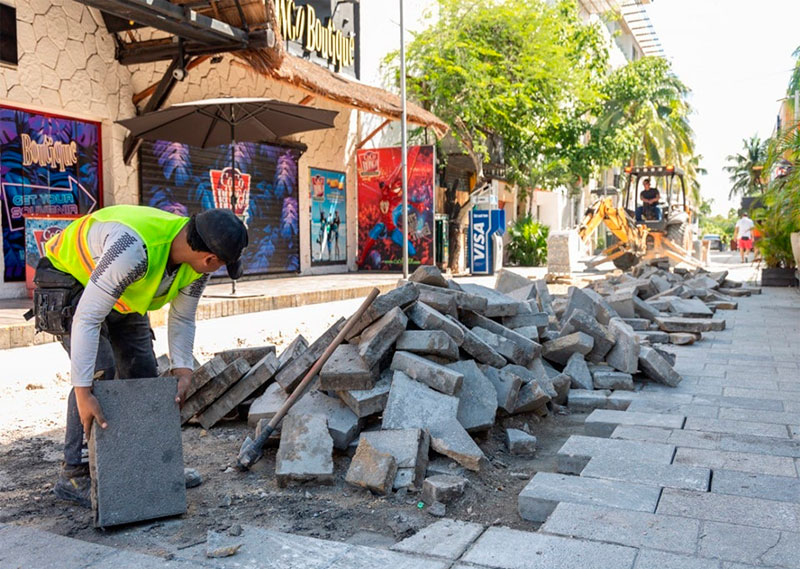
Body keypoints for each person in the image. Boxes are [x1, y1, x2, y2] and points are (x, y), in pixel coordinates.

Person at [33, 205, 248, 508]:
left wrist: (183, 370)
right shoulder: (133, 251)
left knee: (143, 374)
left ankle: (149, 469)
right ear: (210, 259)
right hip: (70, 280)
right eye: (222, 265)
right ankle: (74, 474)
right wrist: (83, 393)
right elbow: (87, 319)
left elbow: (183, 318)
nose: (217, 270)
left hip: (121, 293)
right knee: (98, 374)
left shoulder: (196, 267)